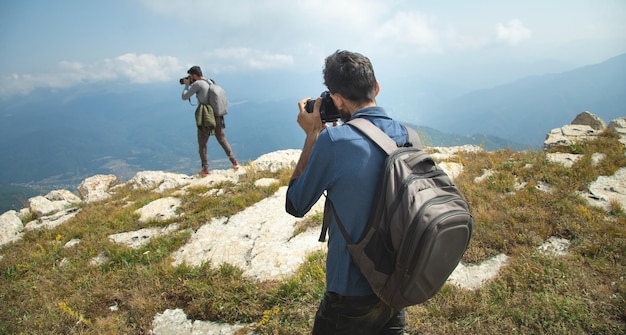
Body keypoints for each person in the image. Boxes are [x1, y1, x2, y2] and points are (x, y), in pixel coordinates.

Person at [285, 50, 407, 334]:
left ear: (337, 99)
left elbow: (295, 204)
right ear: (376, 88)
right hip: (396, 285)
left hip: (350, 292)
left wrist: (312, 135)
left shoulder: (333, 142)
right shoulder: (406, 135)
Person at [181, 65, 239, 177]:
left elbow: (184, 97)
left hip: (206, 116)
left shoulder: (197, 84)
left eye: (190, 76)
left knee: (202, 143)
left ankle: (205, 169)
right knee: (222, 138)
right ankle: (234, 162)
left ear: (193, 75)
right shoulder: (210, 81)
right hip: (217, 114)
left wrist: (186, 86)